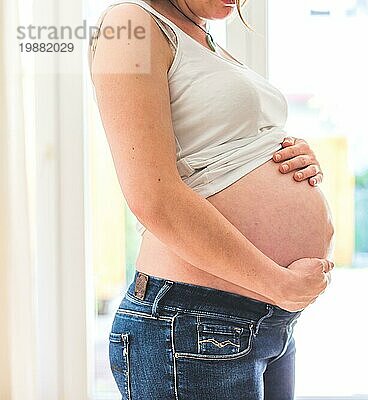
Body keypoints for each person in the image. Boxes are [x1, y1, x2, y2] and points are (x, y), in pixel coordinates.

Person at [88, 0, 335, 398]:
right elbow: (152, 198)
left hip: (263, 318)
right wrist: (278, 283)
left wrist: (290, 153)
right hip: (193, 321)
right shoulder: (129, 24)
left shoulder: (204, 39)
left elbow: (217, 149)